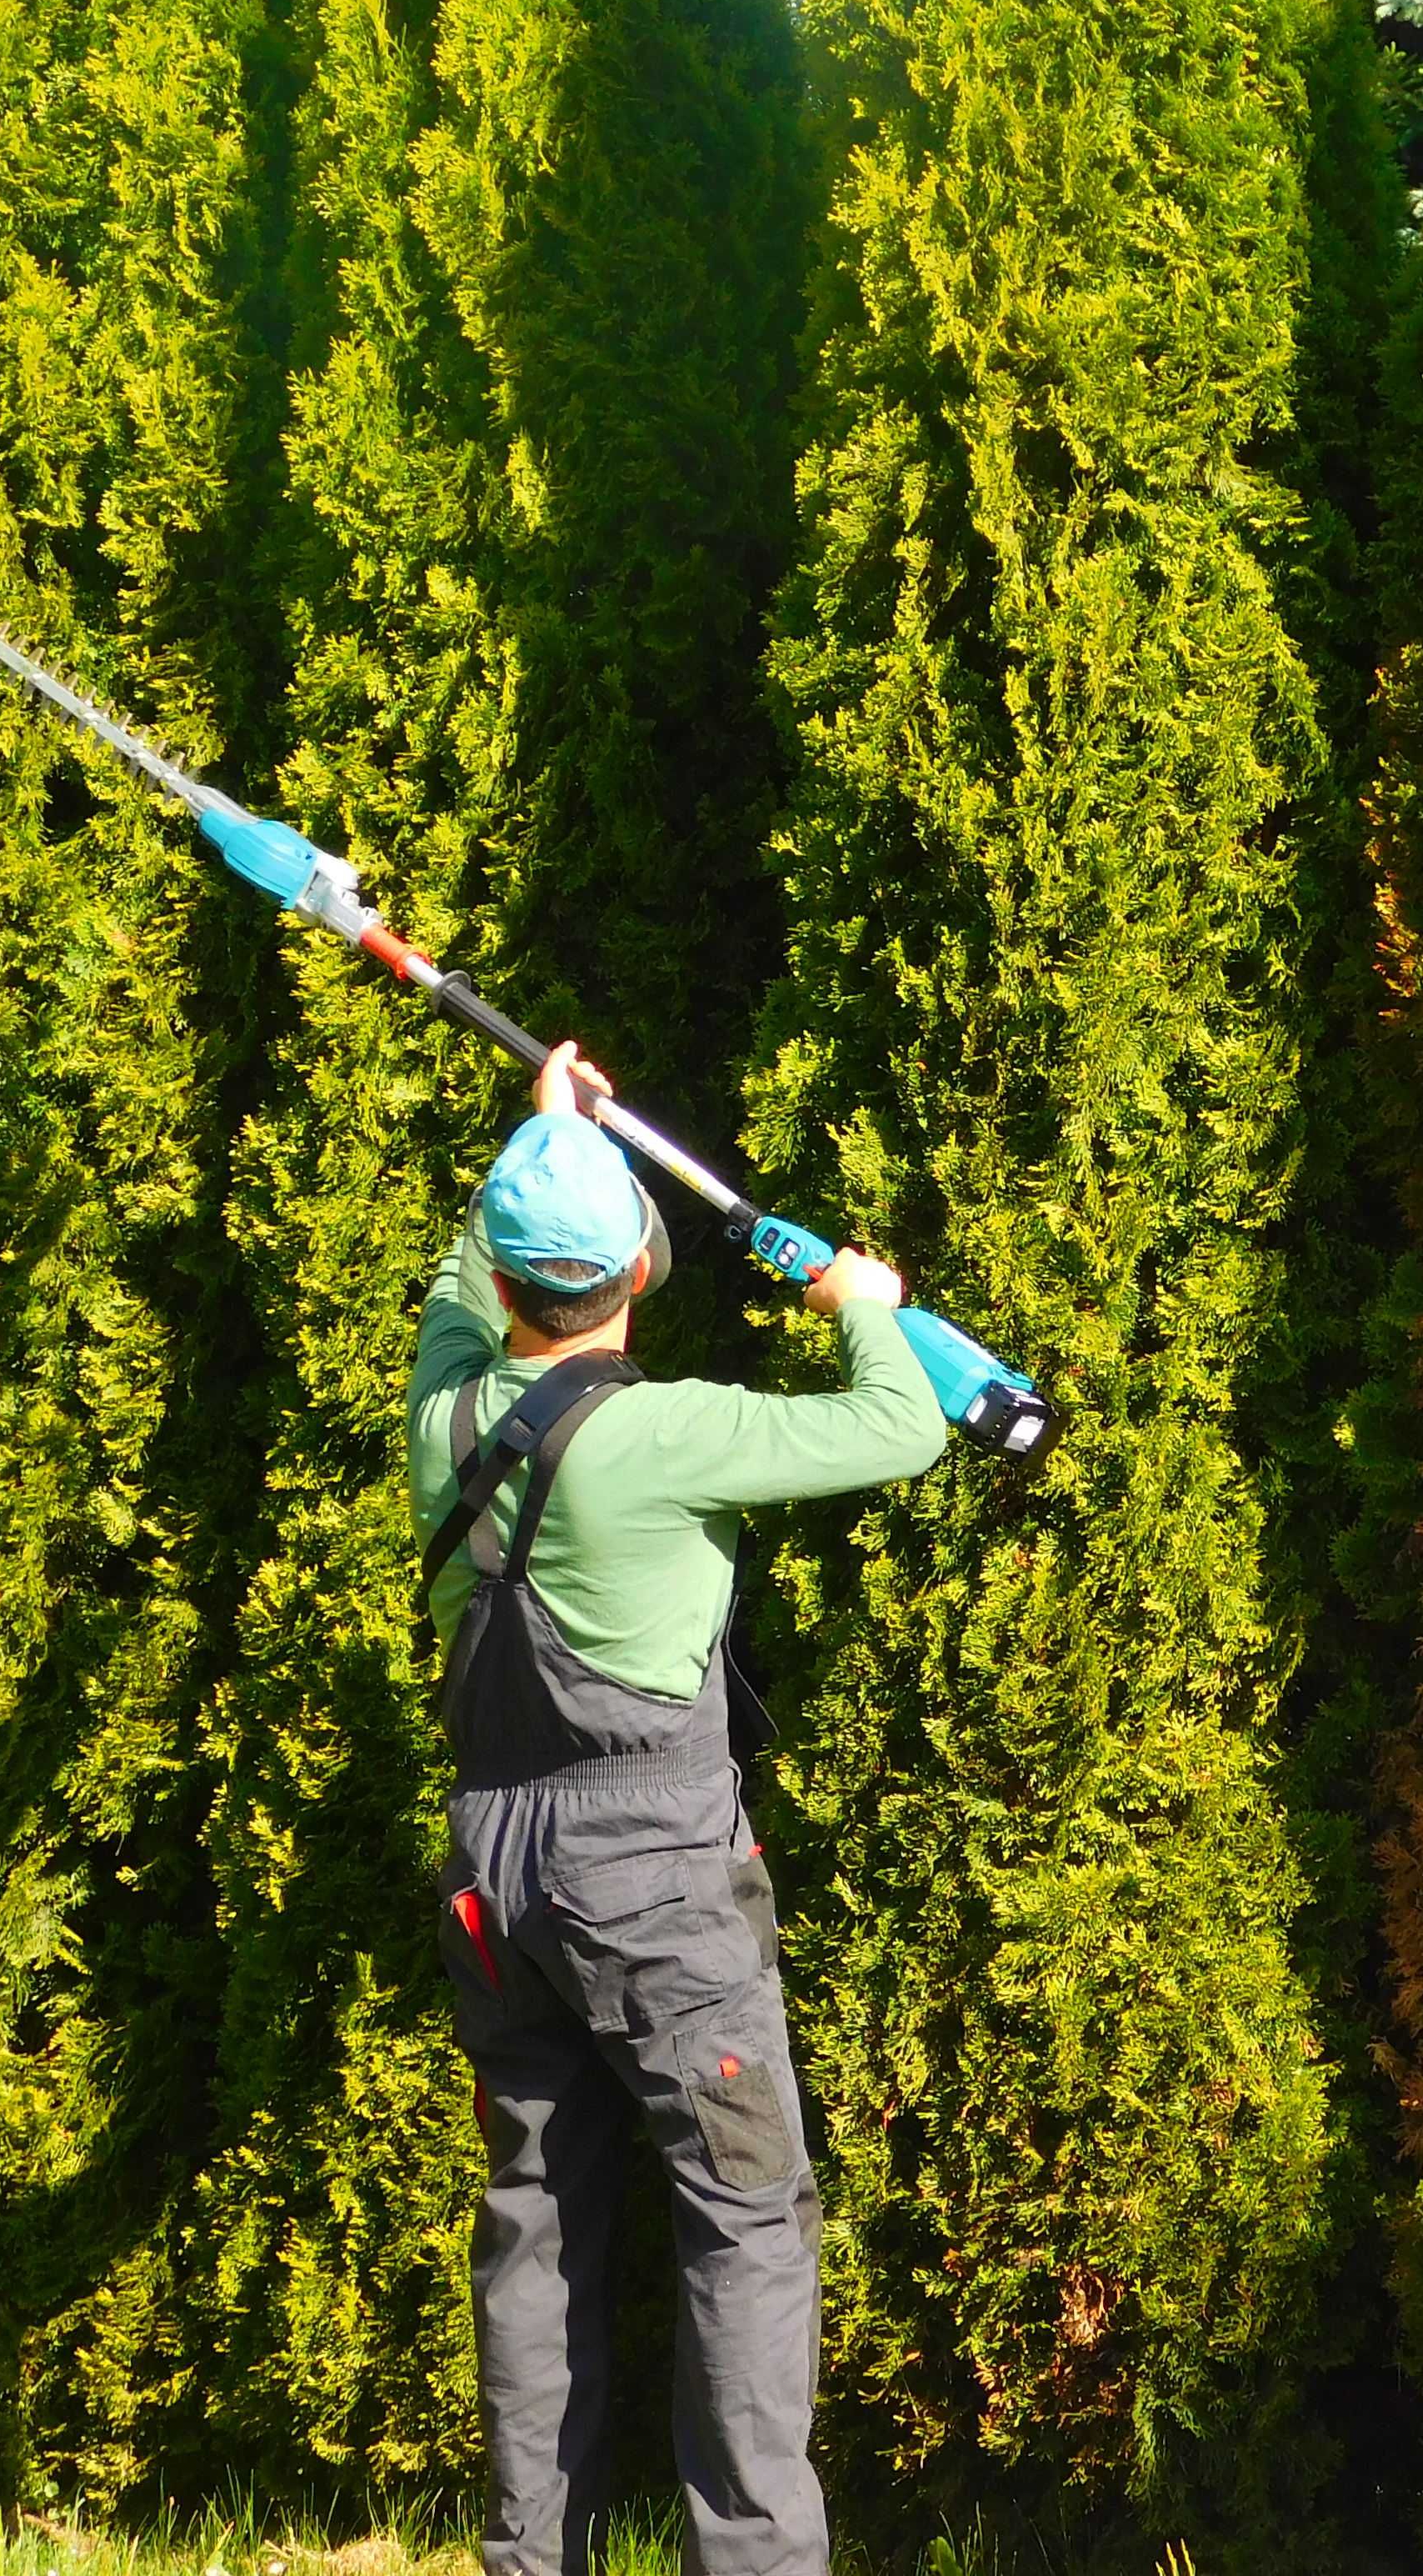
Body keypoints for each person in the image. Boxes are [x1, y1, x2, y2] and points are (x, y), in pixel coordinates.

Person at [412, 1038, 948, 2576]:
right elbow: (895, 1427)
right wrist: (868, 1312)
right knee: (747, 2220)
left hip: (491, 1875)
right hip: (650, 1876)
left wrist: (539, 1137)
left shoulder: (443, 1411)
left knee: (537, 2218)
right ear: (645, 1263)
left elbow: (469, 1286)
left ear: (507, 1281)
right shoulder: (667, 1431)